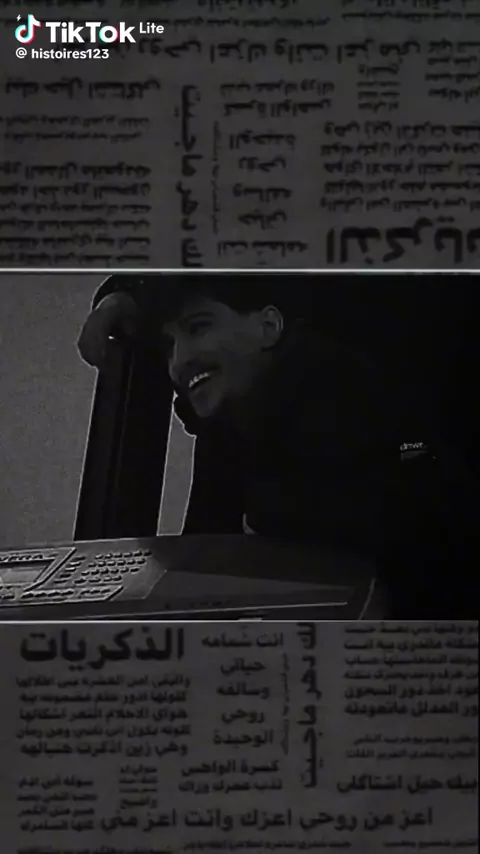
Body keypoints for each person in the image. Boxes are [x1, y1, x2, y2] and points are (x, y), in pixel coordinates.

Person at [78, 274, 478, 618]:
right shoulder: (247, 412)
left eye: (197, 329)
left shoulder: (346, 408)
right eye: (169, 347)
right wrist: (127, 293)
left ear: (271, 326)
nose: (179, 361)